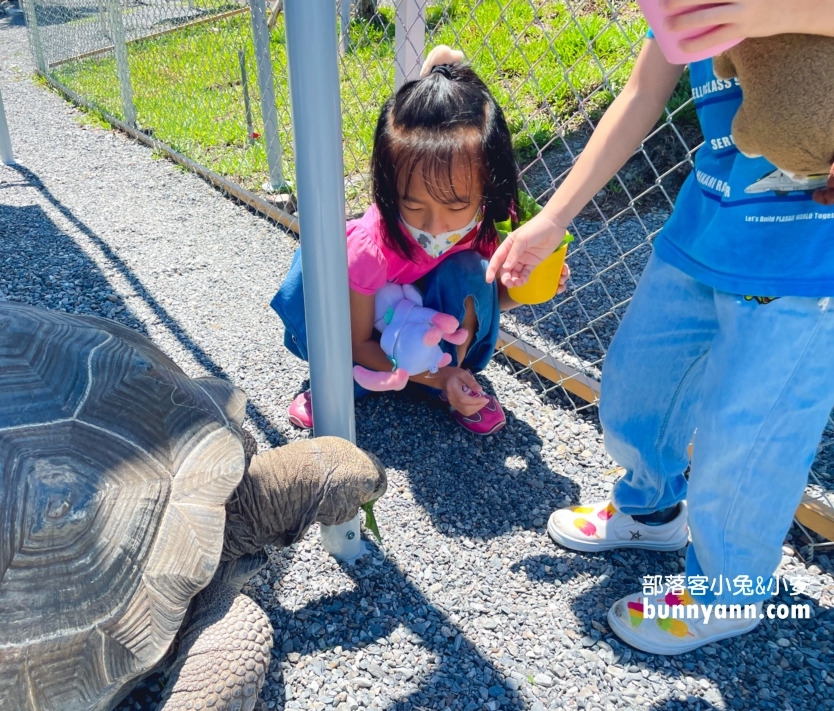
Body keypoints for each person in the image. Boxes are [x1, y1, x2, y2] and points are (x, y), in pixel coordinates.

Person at [486, 1, 834, 655]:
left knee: (748, 443)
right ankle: (651, 509)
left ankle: (728, 594)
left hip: (811, 254)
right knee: (636, 387)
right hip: (707, 221)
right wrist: (553, 218)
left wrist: (763, 14)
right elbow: (644, 90)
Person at [271, 49, 568, 435]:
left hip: (426, 330)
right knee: (319, 279)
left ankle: (447, 377)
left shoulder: (486, 224)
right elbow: (359, 342)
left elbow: (487, 299)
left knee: (472, 269)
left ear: (487, 187)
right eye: (413, 204)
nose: (436, 225)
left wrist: (528, 289)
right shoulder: (370, 245)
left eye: (457, 205)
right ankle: (339, 382)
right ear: (389, 188)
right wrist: (436, 378)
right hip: (365, 336)